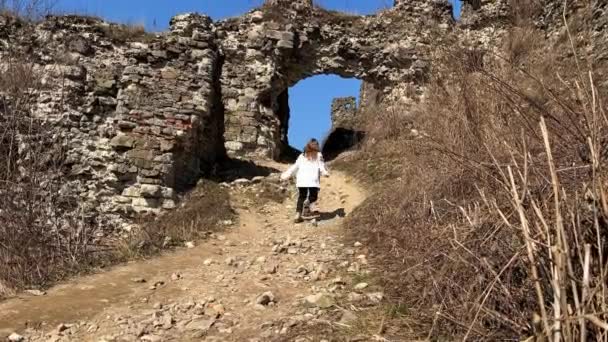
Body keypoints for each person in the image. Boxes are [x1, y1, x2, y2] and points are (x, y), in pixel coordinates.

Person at [280, 138, 329, 223]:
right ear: (316, 146)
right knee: (313, 196)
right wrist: (325, 172)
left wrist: (286, 174)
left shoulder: (302, 155)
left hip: (301, 180)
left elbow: (295, 167)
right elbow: (321, 166)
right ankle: (308, 203)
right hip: (312, 180)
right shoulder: (318, 155)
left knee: (301, 196)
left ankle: (298, 214)